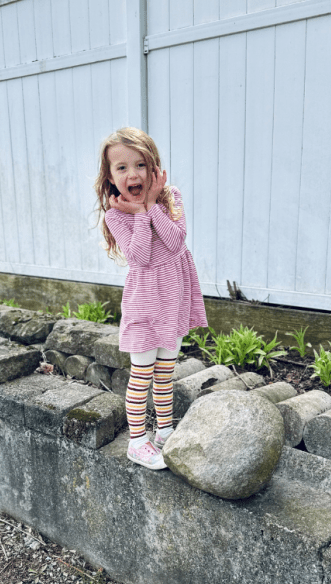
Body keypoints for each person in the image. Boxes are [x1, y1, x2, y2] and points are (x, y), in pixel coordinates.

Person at [94, 127, 208, 470]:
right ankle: (138, 441)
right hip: (145, 306)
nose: (133, 174)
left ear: (154, 168)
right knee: (141, 375)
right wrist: (140, 214)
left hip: (172, 302)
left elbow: (175, 241)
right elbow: (140, 256)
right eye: (122, 168)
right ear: (111, 177)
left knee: (165, 373)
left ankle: (164, 432)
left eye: (140, 165)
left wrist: (150, 206)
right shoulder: (116, 216)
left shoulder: (171, 197)